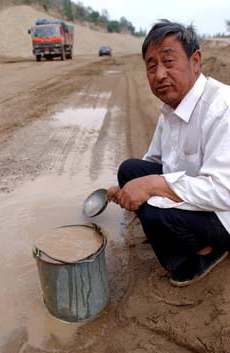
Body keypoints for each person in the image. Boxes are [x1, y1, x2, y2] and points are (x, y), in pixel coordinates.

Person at [107, 20, 230, 287]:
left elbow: (224, 191)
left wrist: (154, 185)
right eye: (152, 66)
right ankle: (175, 229)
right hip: (193, 192)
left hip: (224, 213)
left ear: (195, 61)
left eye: (169, 61)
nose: (160, 74)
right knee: (129, 171)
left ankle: (205, 251)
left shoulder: (222, 108)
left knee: (154, 209)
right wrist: (126, 187)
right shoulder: (172, 108)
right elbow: (153, 161)